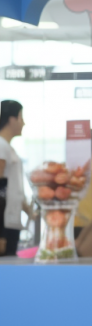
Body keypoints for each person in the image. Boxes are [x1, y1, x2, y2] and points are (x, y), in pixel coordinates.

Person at [0, 100, 37, 258]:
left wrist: (28, 210)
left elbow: (12, 188)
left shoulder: (8, 147)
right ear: (11, 119)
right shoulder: (1, 146)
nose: (24, 123)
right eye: (21, 118)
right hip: (4, 223)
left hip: (11, 220)